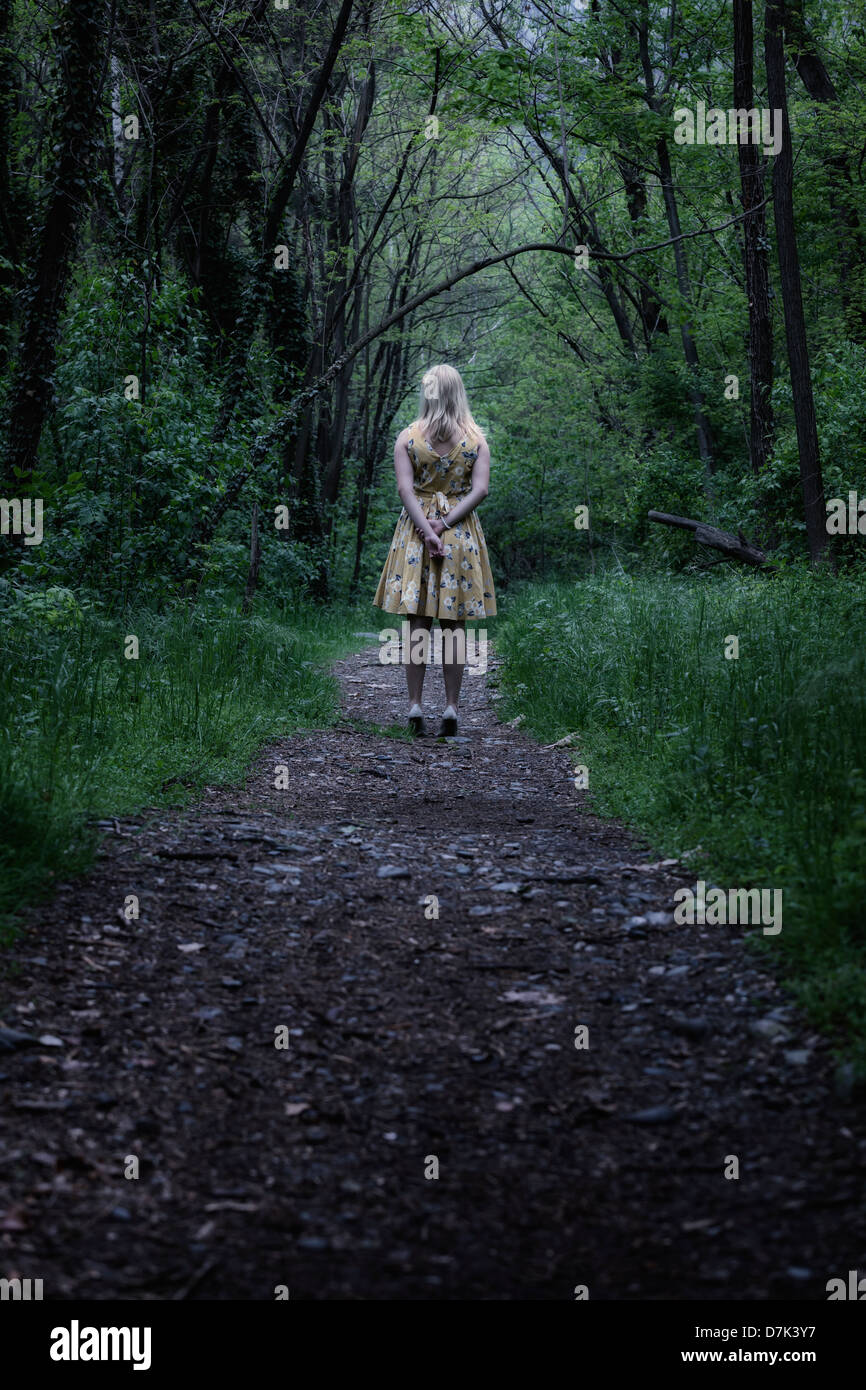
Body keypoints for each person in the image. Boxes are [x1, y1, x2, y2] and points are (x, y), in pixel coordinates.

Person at [373, 363, 496, 736]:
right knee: (454, 625)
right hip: (458, 534)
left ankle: (414, 704)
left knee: (417, 623)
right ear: (458, 393)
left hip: (416, 533)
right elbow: (481, 491)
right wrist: (444, 525)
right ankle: (452, 708)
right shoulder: (476, 440)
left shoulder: (408, 438)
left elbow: (405, 491)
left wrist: (427, 530)